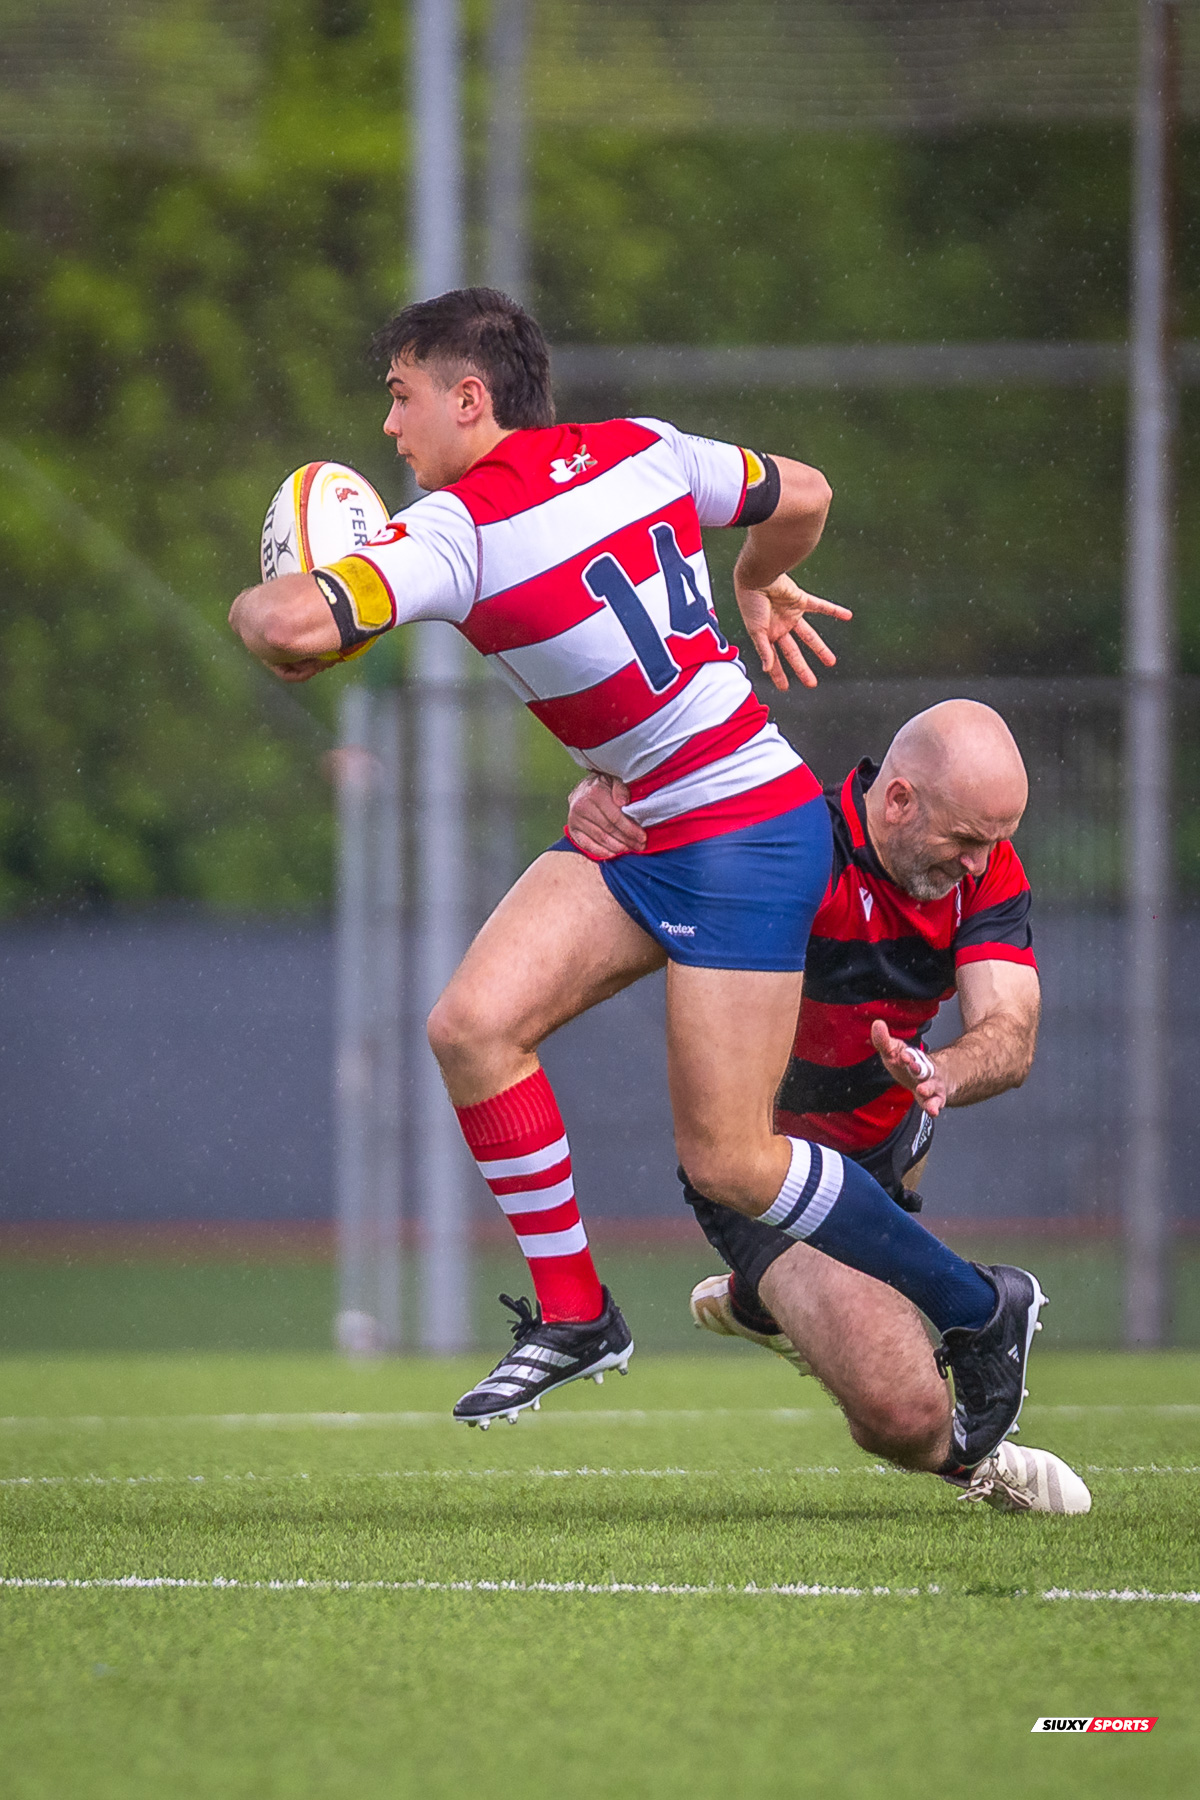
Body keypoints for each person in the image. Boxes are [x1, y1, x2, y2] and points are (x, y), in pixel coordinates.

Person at [229, 287, 1043, 1471]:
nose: (392, 429)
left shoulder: (453, 531)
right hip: (653, 815)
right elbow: (804, 492)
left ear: (470, 397)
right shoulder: (642, 450)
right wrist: (758, 577)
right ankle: (575, 1313)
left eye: (402, 397)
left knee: (733, 1162)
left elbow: (289, 630)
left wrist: (275, 598)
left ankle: (979, 1309)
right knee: (472, 1028)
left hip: (741, 827)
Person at [565, 699, 1089, 1512]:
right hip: (758, 1174)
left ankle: (757, 1303)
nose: (982, 863)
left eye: (997, 841)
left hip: (879, 1157)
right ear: (899, 799)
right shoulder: (791, 842)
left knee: (876, 1346)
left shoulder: (987, 869)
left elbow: (1009, 1032)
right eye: (965, 840)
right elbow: (666, 816)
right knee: (905, 1417)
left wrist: (942, 1070)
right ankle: (970, 1457)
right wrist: (602, 794)